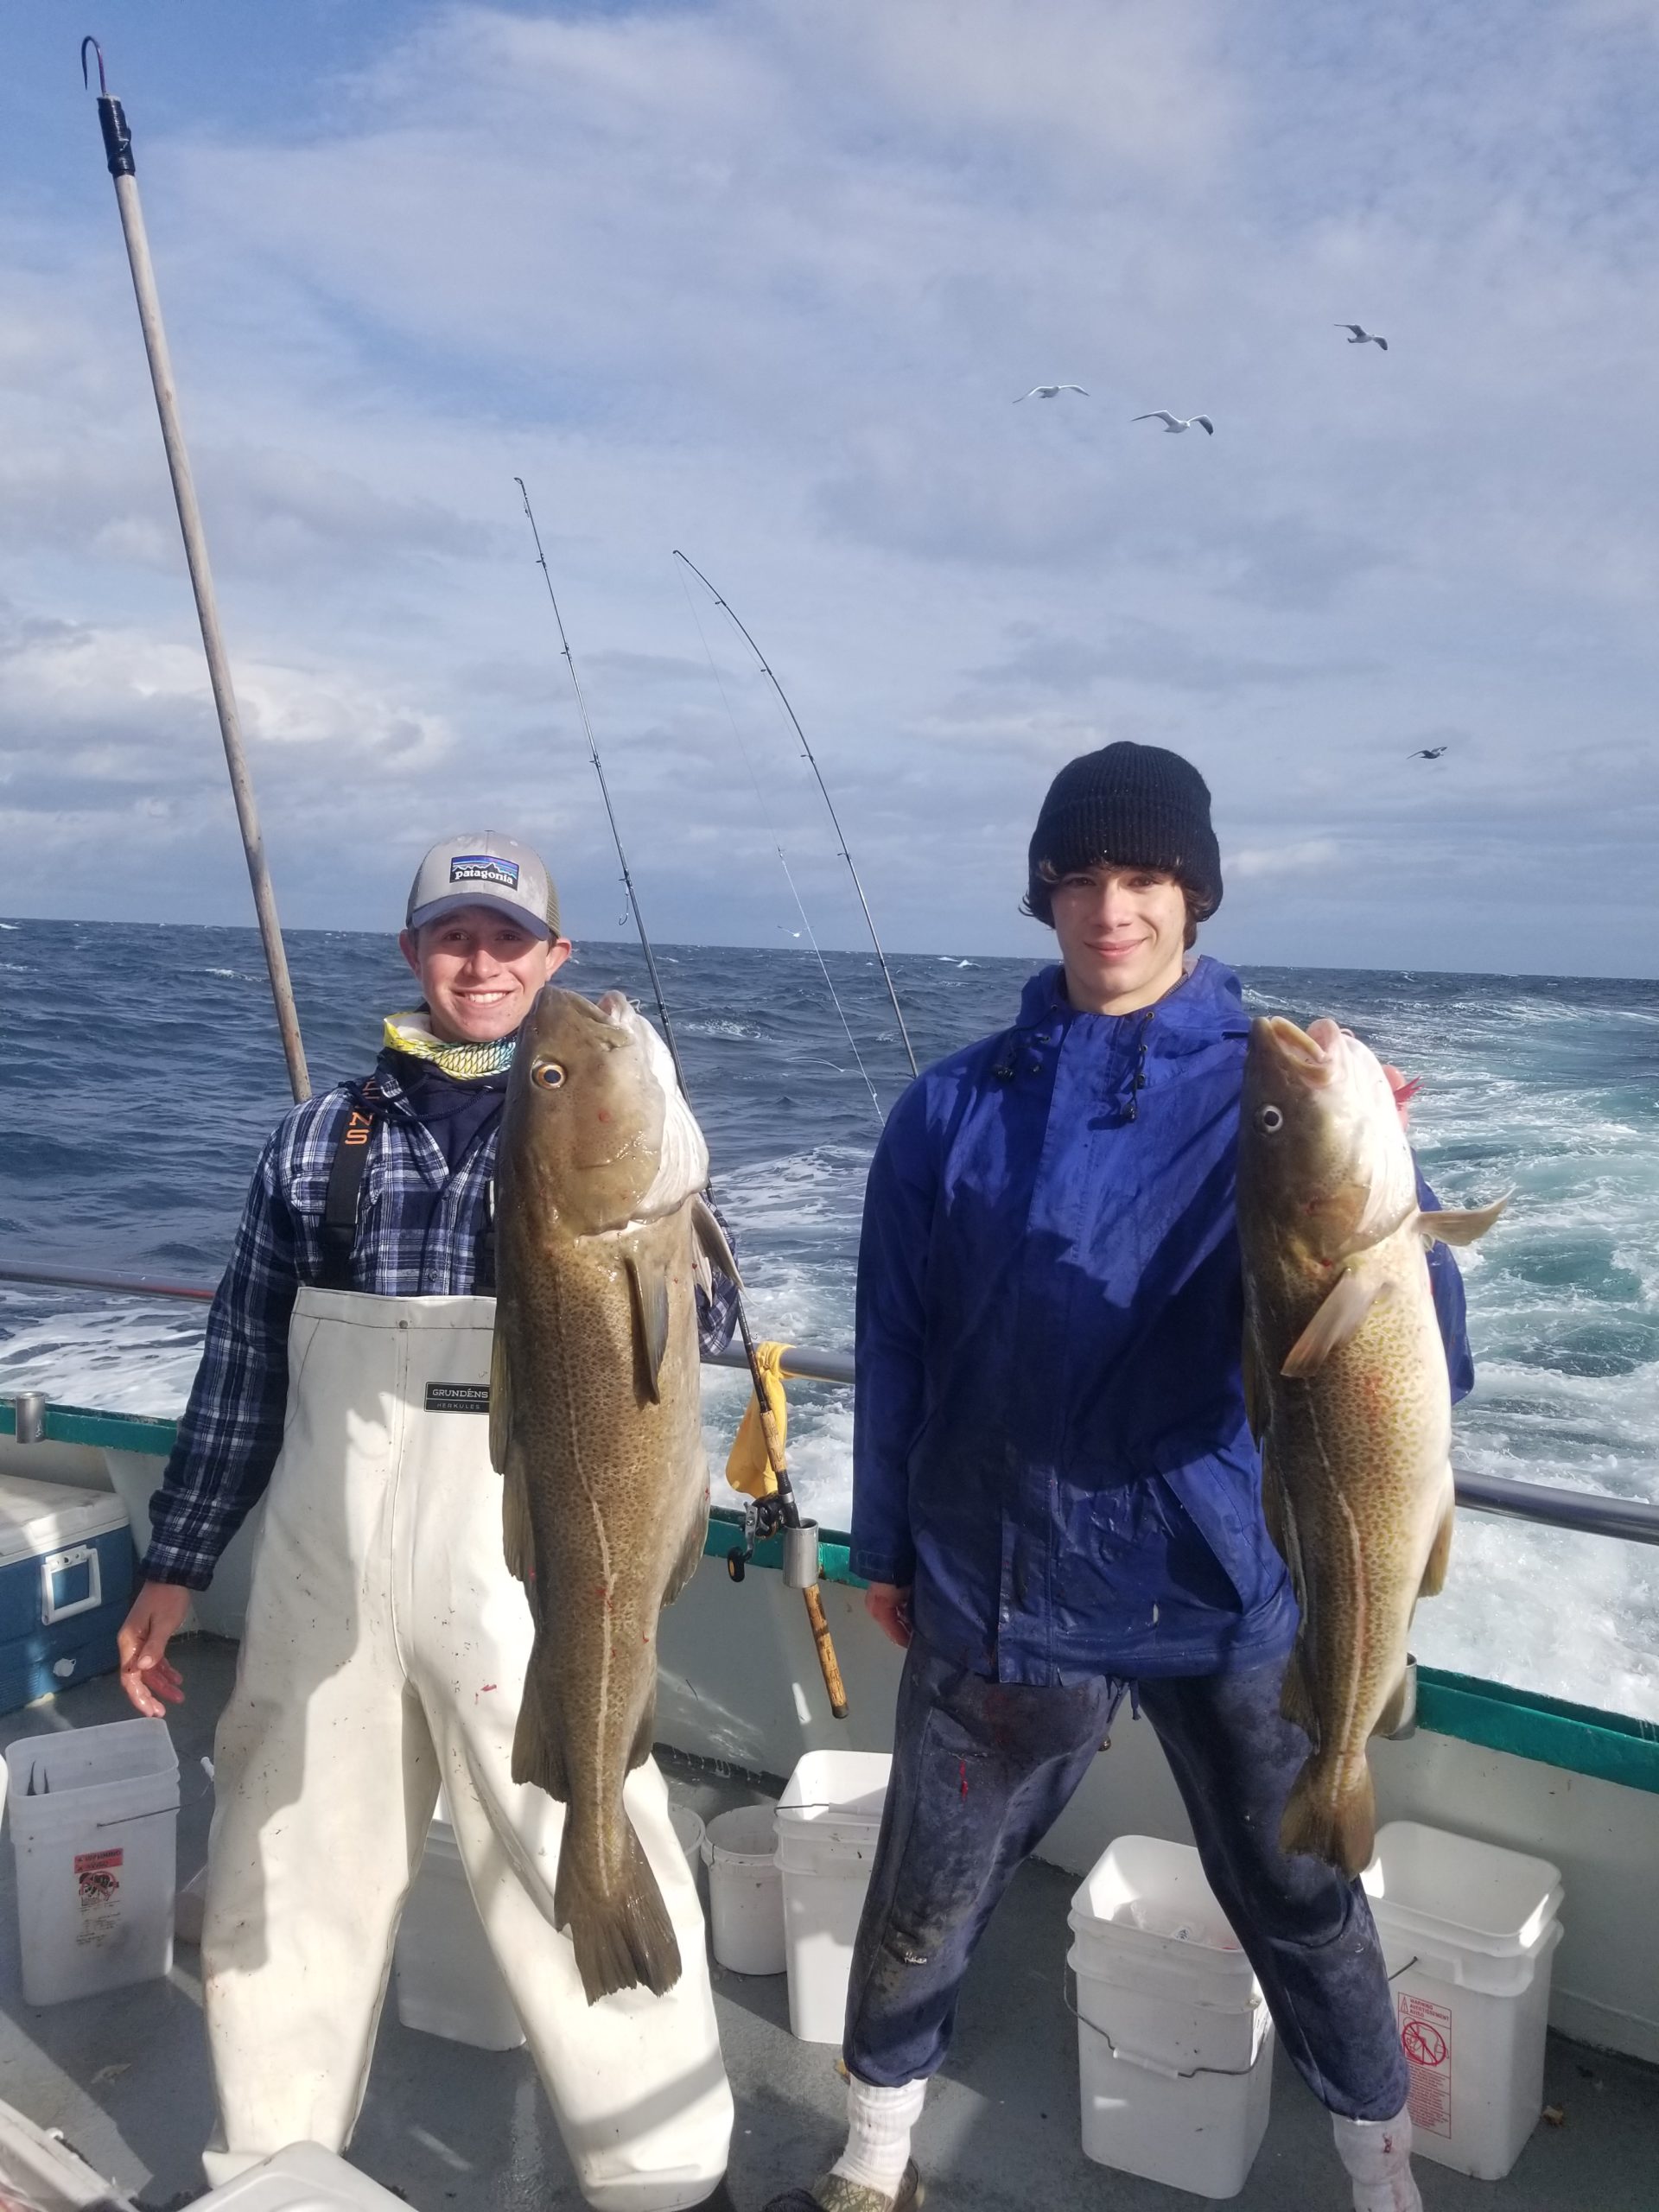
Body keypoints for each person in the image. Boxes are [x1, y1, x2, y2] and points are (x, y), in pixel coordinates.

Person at [766, 746, 1470, 2212]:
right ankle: (873, 2161)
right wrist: (883, 1542)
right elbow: (895, 1344)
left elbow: (1419, 1376)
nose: (1110, 909)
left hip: (1228, 1580)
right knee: (928, 1894)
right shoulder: (952, 1109)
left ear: (1194, 895)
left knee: (1297, 1893)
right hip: (1000, 1579)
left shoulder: (1276, 1096)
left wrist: (1398, 1238)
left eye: (1143, 878)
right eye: (1078, 879)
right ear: (1043, 896)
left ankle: (1381, 2174)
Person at [117, 832, 740, 2212]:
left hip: (527, 1578)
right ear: (412, 954)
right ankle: (273, 2164)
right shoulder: (314, 1141)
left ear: (552, 960)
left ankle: (668, 2175)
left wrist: (673, 1225)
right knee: (286, 1854)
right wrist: (177, 1560)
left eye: (511, 941)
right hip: (323, 1567)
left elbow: (701, 1351)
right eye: (455, 937)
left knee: (570, 1834)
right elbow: (239, 1369)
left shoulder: (632, 1162)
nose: (483, 962)